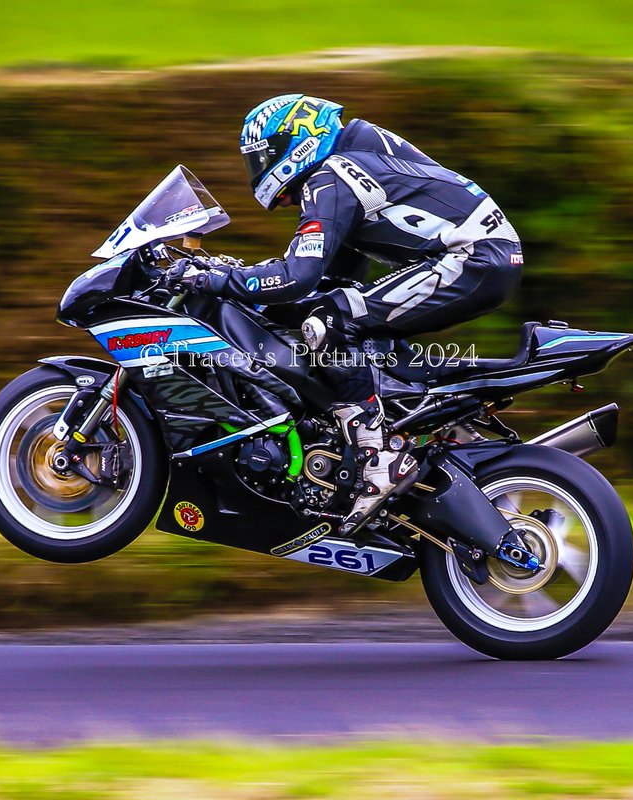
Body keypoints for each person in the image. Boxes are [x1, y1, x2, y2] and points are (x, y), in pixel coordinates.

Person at [168, 94, 523, 534]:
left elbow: (298, 276)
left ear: (294, 141)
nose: (259, 171)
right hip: (484, 258)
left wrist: (216, 279)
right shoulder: (355, 163)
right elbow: (334, 278)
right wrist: (254, 287)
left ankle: (377, 460)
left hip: (470, 259)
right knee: (347, 317)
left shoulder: (331, 175)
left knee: (331, 322)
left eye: (264, 157)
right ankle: (439, 435)